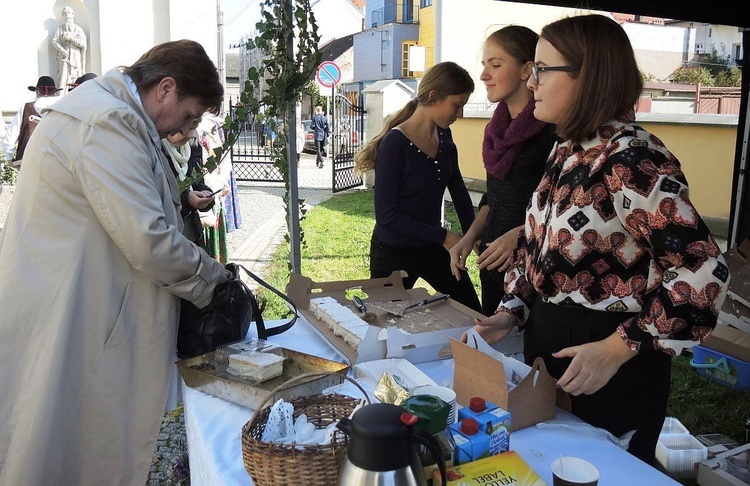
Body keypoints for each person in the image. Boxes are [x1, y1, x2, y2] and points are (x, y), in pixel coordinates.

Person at [465, 14, 730, 465]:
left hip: (612, 366)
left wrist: (618, 347)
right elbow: (538, 248)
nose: (531, 82)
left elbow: (703, 273)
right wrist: (513, 309)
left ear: (588, 76)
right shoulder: (568, 149)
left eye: (542, 69)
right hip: (555, 351)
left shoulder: (632, 157)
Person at [0, 39, 229, 484]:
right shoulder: (108, 120)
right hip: (67, 307)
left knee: (65, 432)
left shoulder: (116, 114)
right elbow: (148, 240)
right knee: (59, 437)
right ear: (165, 88)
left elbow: (132, 201)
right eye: (188, 116)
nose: (183, 130)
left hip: (79, 296)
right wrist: (215, 280)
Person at [354, 61, 483, 313]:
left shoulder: (444, 136)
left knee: (473, 314)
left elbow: (458, 189)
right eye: (457, 105)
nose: (460, 115)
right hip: (393, 253)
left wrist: (472, 236)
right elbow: (387, 216)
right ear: (434, 97)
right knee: (384, 324)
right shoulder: (395, 144)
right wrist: (445, 236)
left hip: (432, 248)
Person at [449, 26, 556, 316]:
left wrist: (520, 236)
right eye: (484, 65)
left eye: (495, 65)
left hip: (534, 267)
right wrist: (469, 237)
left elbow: (564, 207)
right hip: (492, 262)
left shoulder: (552, 128)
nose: (484, 75)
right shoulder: (495, 130)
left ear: (527, 71)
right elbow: (492, 197)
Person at [162, 120, 216, 248]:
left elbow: (197, 181)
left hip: (191, 233)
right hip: (167, 238)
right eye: (189, 128)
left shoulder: (192, 143)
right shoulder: (154, 148)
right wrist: (186, 199)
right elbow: (157, 193)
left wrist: (205, 195)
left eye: (194, 128)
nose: (192, 135)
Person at [2, 75, 62, 169]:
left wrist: (9, 157)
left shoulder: (26, 107)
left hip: (28, 160)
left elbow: (12, 134)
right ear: (54, 93)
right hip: (56, 159)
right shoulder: (61, 108)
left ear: (37, 92)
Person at [51, 5, 87, 92]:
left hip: (75, 57)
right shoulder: (60, 29)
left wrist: (72, 38)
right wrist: (62, 51)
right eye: (65, 13)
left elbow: (82, 44)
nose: (67, 15)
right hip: (64, 57)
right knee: (63, 77)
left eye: (69, 13)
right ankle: (62, 95)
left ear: (73, 14)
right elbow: (54, 41)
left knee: (76, 78)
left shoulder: (78, 29)